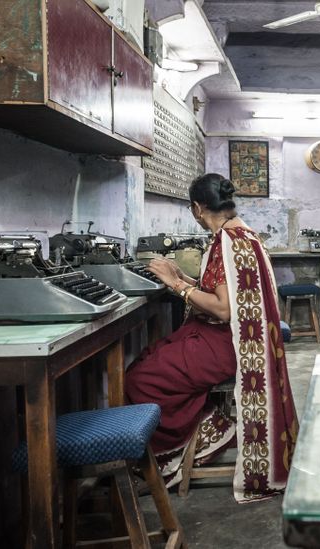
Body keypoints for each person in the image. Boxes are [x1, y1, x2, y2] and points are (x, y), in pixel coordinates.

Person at [125, 173, 299, 503]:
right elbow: (227, 289)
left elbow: (222, 309)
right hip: (231, 339)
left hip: (225, 344)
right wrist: (181, 276)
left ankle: (202, 437)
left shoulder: (225, 243)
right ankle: (206, 427)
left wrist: (177, 286)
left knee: (141, 378)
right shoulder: (242, 235)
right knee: (152, 357)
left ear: (197, 208)